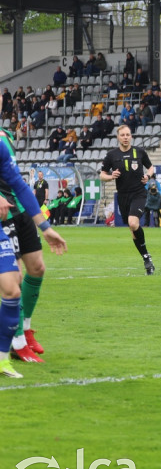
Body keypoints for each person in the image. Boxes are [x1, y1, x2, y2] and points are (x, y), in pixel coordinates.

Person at [0, 130, 67, 377]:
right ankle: (15, 341)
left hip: (17, 208)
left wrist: (45, 226)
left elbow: (16, 181)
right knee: (12, 279)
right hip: (3, 212)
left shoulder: (3, 139)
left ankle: (22, 331)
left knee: (35, 268)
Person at [100, 125, 157, 275]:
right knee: (132, 229)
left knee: (133, 222)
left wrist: (148, 176)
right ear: (118, 137)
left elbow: (151, 168)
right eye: (122, 135)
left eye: (128, 135)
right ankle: (146, 257)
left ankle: (146, 258)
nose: (125, 137)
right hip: (123, 196)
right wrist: (111, 176)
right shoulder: (112, 155)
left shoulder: (139, 152)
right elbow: (102, 175)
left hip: (138, 193)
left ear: (131, 136)